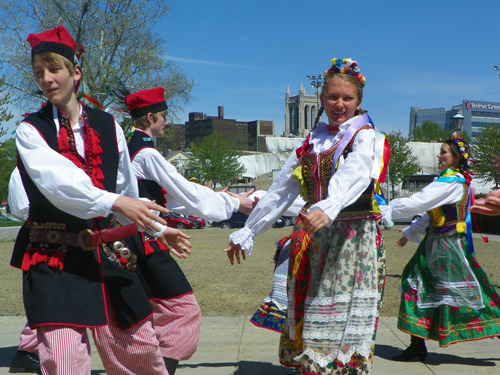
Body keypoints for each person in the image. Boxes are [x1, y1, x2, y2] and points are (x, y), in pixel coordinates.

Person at [17, 25, 190, 374]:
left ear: (75, 72)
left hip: (110, 257)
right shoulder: (29, 130)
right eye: (39, 72)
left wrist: (156, 230)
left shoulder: (108, 126)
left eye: (54, 68)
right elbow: (62, 184)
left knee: (140, 358)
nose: (47, 78)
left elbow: (127, 191)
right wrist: (116, 204)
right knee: (64, 363)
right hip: (55, 261)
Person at [225, 58, 388, 375]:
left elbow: (355, 175)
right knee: (312, 323)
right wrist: (247, 232)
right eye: (332, 97)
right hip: (315, 241)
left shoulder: (367, 137)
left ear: (359, 102)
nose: (339, 104)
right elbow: (279, 192)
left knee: (339, 330)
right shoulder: (311, 143)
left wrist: (327, 207)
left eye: (347, 98)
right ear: (322, 98)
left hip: (353, 244)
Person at [124, 87, 255, 374]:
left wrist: (224, 199)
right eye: (163, 117)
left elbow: (170, 200)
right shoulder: (146, 153)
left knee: (151, 314)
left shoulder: (133, 148)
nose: (167, 122)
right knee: (182, 311)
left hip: (139, 238)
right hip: (144, 240)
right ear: (150, 117)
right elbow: (186, 193)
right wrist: (233, 203)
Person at [382, 133, 500, 362]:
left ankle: (495, 323)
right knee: (414, 284)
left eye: (444, 152)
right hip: (434, 243)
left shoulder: (452, 182)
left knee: (464, 292)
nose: (439, 155)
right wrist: (411, 231)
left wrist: (385, 208)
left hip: (448, 247)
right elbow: (431, 212)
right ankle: (416, 344)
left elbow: (420, 202)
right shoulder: (448, 181)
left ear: (456, 158)